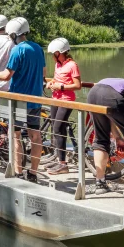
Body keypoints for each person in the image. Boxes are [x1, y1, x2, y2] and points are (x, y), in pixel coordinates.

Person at [0, 17, 46, 183]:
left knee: (15, 135)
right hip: (36, 99)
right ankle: (33, 174)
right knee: (35, 136)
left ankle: (17, 172)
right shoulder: (38, 48)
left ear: (14, 34)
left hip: (17, 99)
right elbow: (43, 74)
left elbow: (6, 75)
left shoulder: (17, 50)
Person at [41, 38, 81, 175]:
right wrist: (51, 82)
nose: (52, 56)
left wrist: (62, 87)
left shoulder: (72, 65)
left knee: (58, 128)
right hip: (55, 99)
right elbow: (57, 79)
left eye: (54, 53)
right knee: (55, 128)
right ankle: (59, 160)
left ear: (60, 52)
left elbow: (77, 85)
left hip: (66, 100)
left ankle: (63, 164)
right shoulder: (58, 64)